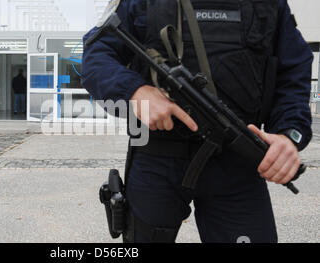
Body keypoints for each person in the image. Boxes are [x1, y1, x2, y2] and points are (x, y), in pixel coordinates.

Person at [82, 0, 313, 243]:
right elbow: (96, 55)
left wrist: (289, 134)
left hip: (237, 160)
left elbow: (294, 68)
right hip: (157, 159)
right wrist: (136, 91)